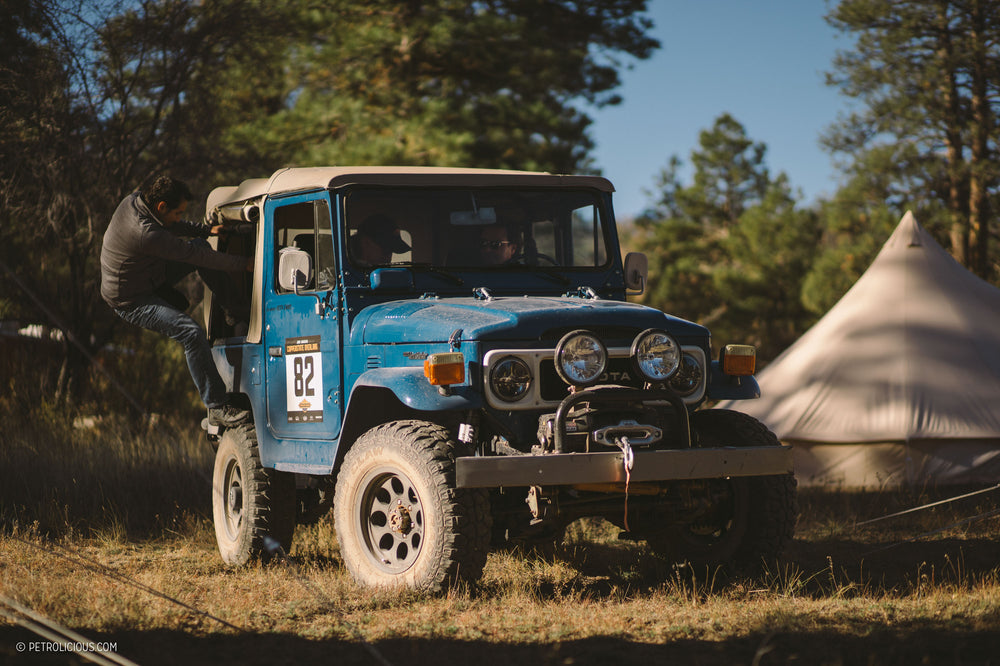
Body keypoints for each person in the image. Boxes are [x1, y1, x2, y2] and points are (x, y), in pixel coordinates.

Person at [100, 175, 251, 425]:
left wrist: (204, 230)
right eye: (178, 212)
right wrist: (243, 264)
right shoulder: (145, 234)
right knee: (191, 333)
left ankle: (236, 313)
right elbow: (192, 256)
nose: (180, 217)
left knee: (202, 244)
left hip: (149, 273)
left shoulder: (135, 199)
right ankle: (217, 406)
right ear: (161, 206)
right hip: (131, 299)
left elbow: (171, 226)